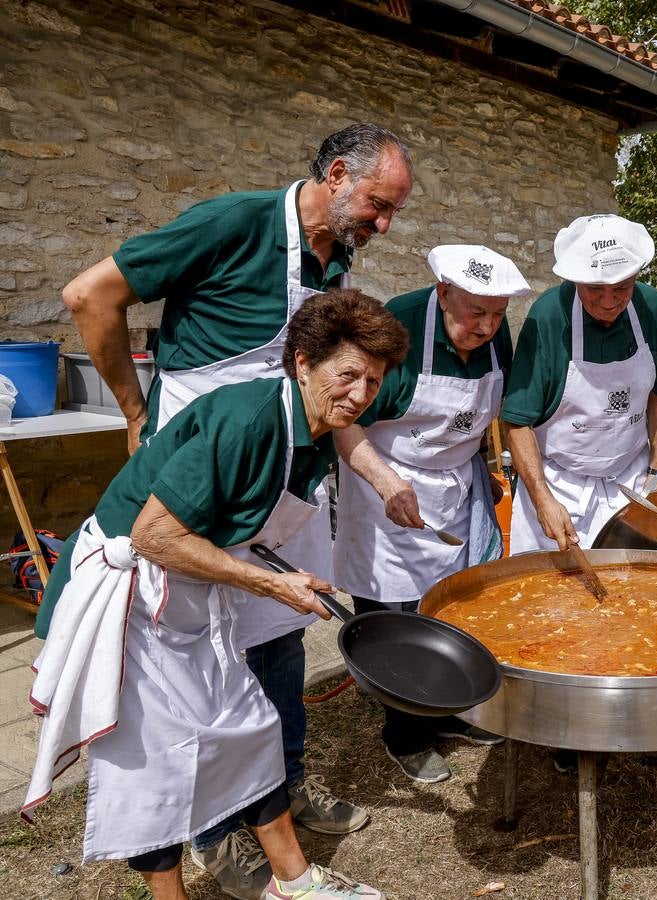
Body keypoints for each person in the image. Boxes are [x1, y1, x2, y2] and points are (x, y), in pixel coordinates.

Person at [57, 123, 413, 895]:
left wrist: (382, 478)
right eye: (379, 206)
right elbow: (89, 295)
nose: (383, 226)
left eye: (391, 213)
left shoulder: (336, 260)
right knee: (193, 682)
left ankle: (278, 792)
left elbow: (334, 387)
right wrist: (130, 409)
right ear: (339, 174)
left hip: (277, 472)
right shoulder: (236, 223)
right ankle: (222, 836)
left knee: (277, 642)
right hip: (201, 474)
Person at [333, 245, 527, 783]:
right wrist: (384, 480)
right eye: (474, 313)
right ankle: (405, 733)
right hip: (386, 482)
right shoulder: (394, 329)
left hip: (454, 486)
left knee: (452, 610)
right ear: (443, 294)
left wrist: (484, 462)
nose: (486, 326)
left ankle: (448, 712)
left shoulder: (495, 333)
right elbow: (341, 418)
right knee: (396, 622)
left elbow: (490, 407)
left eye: (496, 314)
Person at [502, 214, 657, 553]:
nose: (609, 301)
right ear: (576, 280)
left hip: (629, 483)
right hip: (558, 484)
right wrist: (542, 499)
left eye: (622, 289)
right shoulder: (550, 314)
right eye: (594, 290)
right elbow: (517, 419)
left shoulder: (652, 307)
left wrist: (654, 474)